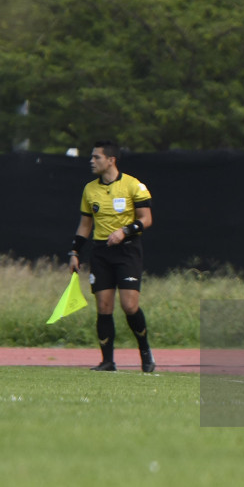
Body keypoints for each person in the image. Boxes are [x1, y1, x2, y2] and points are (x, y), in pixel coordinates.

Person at [67, 140, 155, 372]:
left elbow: (146, 219)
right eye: (92, 157)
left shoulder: (133, 185)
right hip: (101, 252)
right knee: (104, 306)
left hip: (127, 251)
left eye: (96, 157)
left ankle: (145, 352)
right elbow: (85, 224)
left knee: (129, 305)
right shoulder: (90, 189)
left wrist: (124, 232)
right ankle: (107, 361)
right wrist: (75, 252)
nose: (92, 161)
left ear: (110, 160)